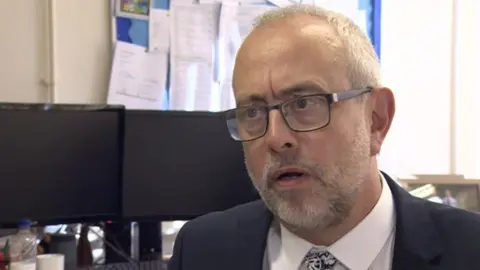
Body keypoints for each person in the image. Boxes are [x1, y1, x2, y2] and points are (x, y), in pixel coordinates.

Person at [168, 4, 480, 270]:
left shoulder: (469, 251)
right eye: (253, 112)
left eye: (304, 104)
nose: (276, 139)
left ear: (376, 119)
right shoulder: (200, 251)